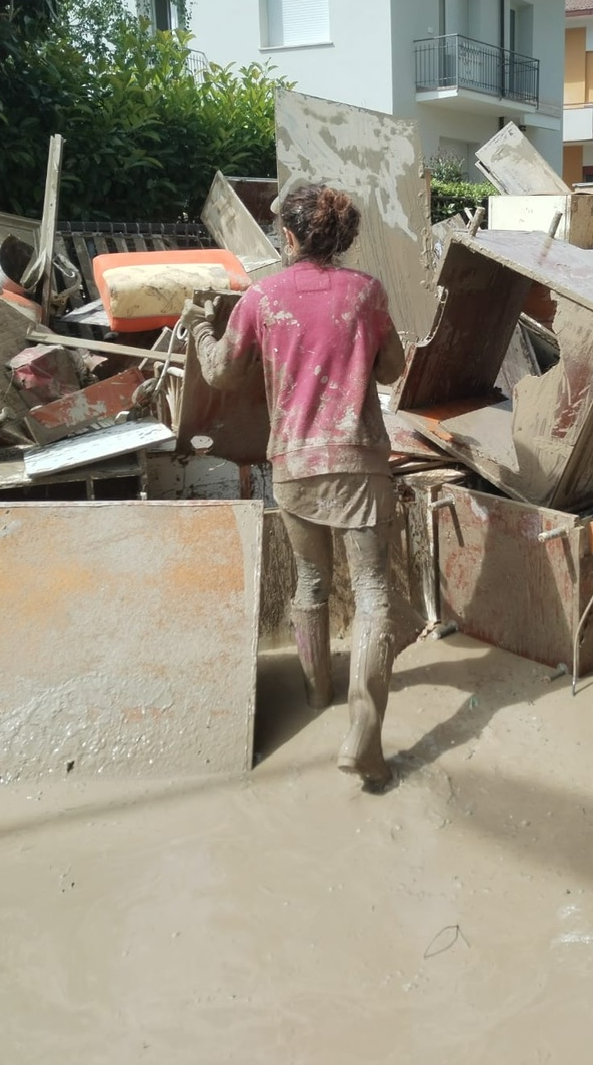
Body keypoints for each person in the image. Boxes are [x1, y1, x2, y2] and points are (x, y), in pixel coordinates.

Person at [184, 184, 405, 789]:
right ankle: (363, 734)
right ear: (339, 237)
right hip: (359, 461)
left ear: (289, 235)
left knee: (311, 581)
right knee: (373, 593)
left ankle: (316, 695)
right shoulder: (366, 293)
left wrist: (203, 330)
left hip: (294, 466)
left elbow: (223, 372)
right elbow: (393, 369)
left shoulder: (262, 297)